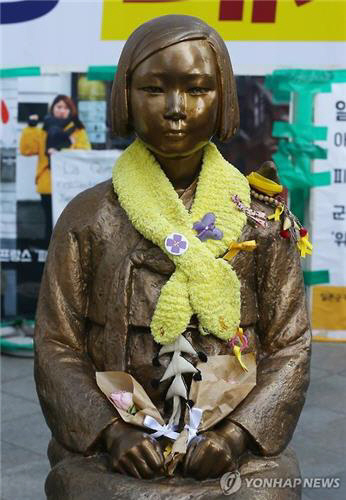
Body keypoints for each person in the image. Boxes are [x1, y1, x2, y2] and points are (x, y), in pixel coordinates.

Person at [35, 16, 310, 500]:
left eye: (198, 89)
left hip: (228, 448)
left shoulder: (262, 221)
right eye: (154, 89)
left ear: (223, 97)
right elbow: (56, 344)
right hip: (118, 445)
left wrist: (236, 435)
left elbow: (290, 346)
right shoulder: (87, 218)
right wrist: (110, 432)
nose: (176, 109)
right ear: (125, 95)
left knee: (266, 490)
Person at [19, 95, 91, 245]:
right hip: (48, 181)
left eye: (65, 107)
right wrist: (31, 127)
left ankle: (68, 247)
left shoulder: (77, 130)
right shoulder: (43, 130)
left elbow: (85, 153)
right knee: (49, 217)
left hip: (70, 183)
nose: (62, 111)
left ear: (71, 110)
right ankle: (49, 249)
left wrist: (63, 149)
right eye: (58, 107)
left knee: (70, 218)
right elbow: (27, 150)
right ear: (53, 109)